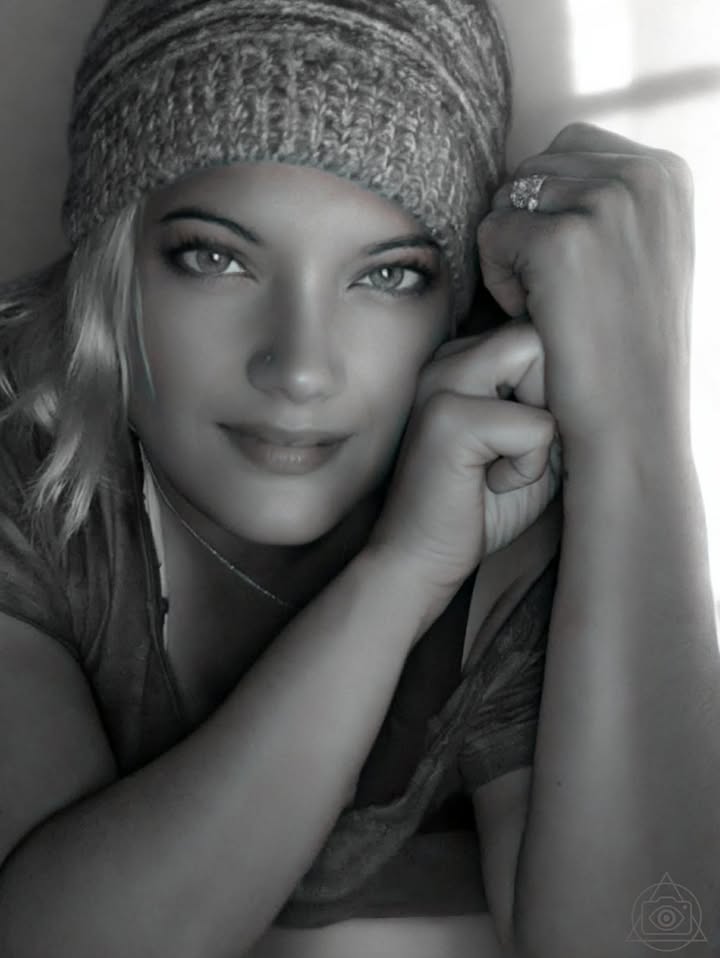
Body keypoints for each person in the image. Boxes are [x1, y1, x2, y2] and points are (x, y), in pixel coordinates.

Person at [0, 1, 718, 957]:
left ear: (458, 306)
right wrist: (400, 576)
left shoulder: (512, 500)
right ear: (113, 260)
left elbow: (654, 942)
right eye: (216, 258)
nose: (300, 369)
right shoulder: (31, 464)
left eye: (388, 276)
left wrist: (636, 420)